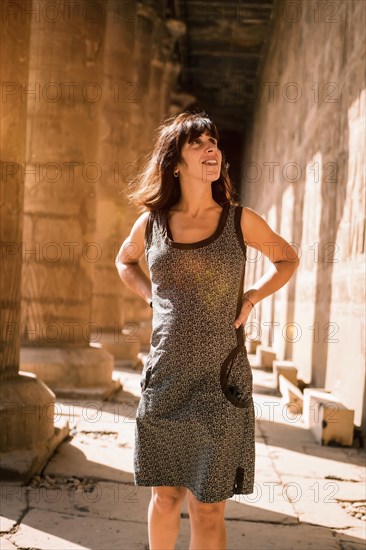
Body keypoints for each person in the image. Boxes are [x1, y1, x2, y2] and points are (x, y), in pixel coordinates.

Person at [115, 110, 300, 550]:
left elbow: (288, 258)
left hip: (222, 382)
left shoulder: (240, 220)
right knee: (164, 496)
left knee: (208, 505)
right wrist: (150, 296)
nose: (210, 149)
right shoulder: (152, 223)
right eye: (197, 143)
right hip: (166, 378)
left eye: (213, 142)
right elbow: (125, 261)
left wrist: (252, 295)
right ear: (174, 162)